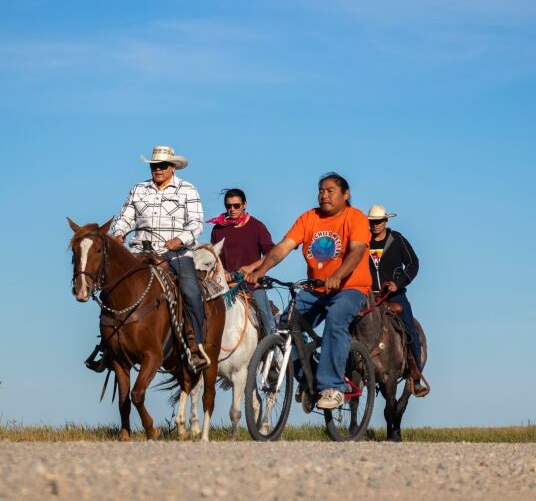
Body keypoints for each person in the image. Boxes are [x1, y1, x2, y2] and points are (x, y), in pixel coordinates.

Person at [246, 172, 371, 409]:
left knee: (336, 320)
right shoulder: (309, 218)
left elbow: (356, 252)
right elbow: (283, 247)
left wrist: (337, 275)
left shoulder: (355, 218)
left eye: (330, 190)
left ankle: (333, 386)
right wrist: (261, 270)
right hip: (316, 289)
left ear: (346, 194)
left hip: (350, 288)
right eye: (321, 190)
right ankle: (309, 378)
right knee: (284, 325)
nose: (324, 195)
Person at [110, 145, 209, 369]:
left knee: (191, 291)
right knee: (112, 285)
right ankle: (109, 344)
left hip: (175, 254)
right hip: (140, 251)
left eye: (163, 166)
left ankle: (194, 344)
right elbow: (125, 216)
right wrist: (118, 233)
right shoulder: (138, 189)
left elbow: (196, 223)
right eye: (154, 166)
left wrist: (180, 240)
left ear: (173, 167)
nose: (158, 169)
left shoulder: (187, 190)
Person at [366, 205, 426, 395]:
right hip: (369, 296)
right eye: (372, 222)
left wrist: (398, 283)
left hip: (394, 295)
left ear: (386, 221)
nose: (375, 225)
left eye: (379, 222)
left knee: (410, 331)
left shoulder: (397, 240)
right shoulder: (364, 242)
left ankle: (415, 376)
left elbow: (413, 263)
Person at [208, 188, 277, 335]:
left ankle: (273, 351)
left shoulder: (257, 226)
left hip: (251, 283)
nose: (232, 209)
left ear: (245, 205)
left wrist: (252, 267)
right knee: (201, 304)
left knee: (266, 317)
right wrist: (224, 272)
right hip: (223, 282)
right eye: (228, 206)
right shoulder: (217, 229)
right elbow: (213, 257)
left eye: (236, 206)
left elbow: (272, 253)